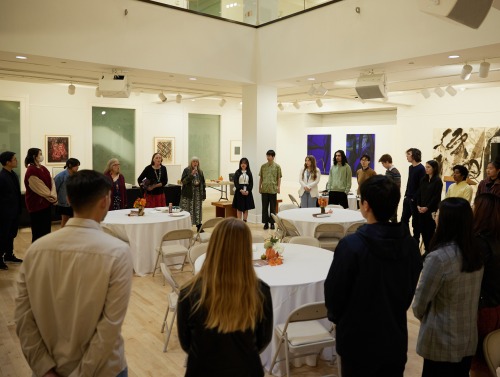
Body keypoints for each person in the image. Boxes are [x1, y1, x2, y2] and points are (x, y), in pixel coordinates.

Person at [15, 169, 133, 377]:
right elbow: (109, 327)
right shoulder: (118, 252)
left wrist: (44, 368)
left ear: (68, 199)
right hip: (103, 370)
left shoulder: (35, 250)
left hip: (49, 368)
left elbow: (23, 318)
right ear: (105, 201)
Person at [324, 175, 422, 377]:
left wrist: (337, 318)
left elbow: (334, 296)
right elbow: (409, 290)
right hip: (394, 338)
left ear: (365, 205)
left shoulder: (351, 246)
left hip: (357, 341)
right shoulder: (410, 245)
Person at [177, 218, 273, 376]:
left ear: (213, 247)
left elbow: (186, 342)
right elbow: (263, 339)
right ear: (246, 250)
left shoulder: (189, 292)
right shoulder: (260, 291)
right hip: (246, 369)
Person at [412, 197, 484, 377]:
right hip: (467, 338)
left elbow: (419, 304)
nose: (435, 217)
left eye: (438, 214)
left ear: (446, 221)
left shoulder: (439, 258)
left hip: (441, 341)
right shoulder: (476, 252)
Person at [470, 193, 500, 377]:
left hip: (483, 309)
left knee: (480, 366)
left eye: (475, 206)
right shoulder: (495, 239)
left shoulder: (480, 243)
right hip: (495, 305)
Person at [24, 148, 57, 242]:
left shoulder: (43, 168)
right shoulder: (31, 171)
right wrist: (52, 197)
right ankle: (36, 253)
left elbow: (52, 182)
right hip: (36, 206)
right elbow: (40, 189)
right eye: (40, 154)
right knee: (38, 232)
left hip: (46, 204)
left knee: (46, 231)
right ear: (34, 156)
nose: (42, 156)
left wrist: (53, 196)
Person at [0, 151, 23, 269]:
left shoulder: (13, 174)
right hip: (5, 213)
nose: (16, 160)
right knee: (3, 236)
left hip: (14, 211)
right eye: (14, 159)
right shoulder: (2, 176)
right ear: (8, 162)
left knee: (11, 235)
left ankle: (9, 255)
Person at [417, 160, 443, 255]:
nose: (426, 169)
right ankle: (427, 249)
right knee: (423, 230)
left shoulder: (437, 181)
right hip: (421, 209)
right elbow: (419, 193)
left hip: (431, 210)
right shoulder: (423, 179)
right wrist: (418, 205)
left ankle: (431, 250)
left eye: (428, 167)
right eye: (426, 167)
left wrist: (427, 207)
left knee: (430, 231)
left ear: (434, 168)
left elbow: (436, 197)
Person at [401, 148, 426, 244]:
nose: (407, 156)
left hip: (415, 200)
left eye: (409, 154)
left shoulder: (421, 169)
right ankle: (407, 239)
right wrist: (406, 195)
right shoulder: (410, 168)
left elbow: (421, 186)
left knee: (415, 223)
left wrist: (413, 198)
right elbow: (409, 183)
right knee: (403, 220)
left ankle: (415, 242)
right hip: (407, 197)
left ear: (414, 155)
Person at [180, 156, 206, 231]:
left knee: (197, 209)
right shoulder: (186, 170)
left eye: (196, 162)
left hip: (197, 193)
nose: (195, 163)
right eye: (194, 161)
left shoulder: (200, 171)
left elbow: (203, 183)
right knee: (188, 209)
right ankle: (186, 226)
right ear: (191, 163)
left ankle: (199, 225)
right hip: (188, 194)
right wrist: (191, 175)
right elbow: (183, 181)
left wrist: (203, 194)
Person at [259, 150, 282, 230]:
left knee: (272, 207)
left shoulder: (277, 167)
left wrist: (278, 187)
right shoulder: (263, 166)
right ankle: (265, 223)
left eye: (269, 156)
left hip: (273, 189)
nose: (268, 157)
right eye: (267, 156)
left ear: (273, 157)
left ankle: (272, 223)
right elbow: (261, 177)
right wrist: (259, 187)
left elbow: (279, 178)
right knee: (264, 207)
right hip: (264, 189)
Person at [54, 157, 80, 227]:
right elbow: (55, 188)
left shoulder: (76, 175)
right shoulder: (61, 176)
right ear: (70, 165)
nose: (77, 167)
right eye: (76, 166)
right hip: (64, 203)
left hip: (73, 202)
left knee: (73, 220)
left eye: (78, 166)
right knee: (65, 220)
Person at [378, 153, 401, 223]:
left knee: (393, 216)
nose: (382, 165)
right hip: (387, 196)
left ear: (387, 162)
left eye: (383, 163)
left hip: (393, 197)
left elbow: (397, 186)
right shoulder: (387, 171)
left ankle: (395, 232)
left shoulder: (395, 172)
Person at [232, 157, 255, 222]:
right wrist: (240, 190)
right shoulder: (237, 172)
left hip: (247, 191)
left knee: (246, 208)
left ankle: (245, 221)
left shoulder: (249, 172)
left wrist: (248, 191)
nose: (243, 164)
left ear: (247, 164)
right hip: (239, 192)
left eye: (244, 163)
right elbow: (235, 182)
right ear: (240, 164)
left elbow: (251, 183)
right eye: (242, 163)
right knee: (239, 208)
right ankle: (239, 222)